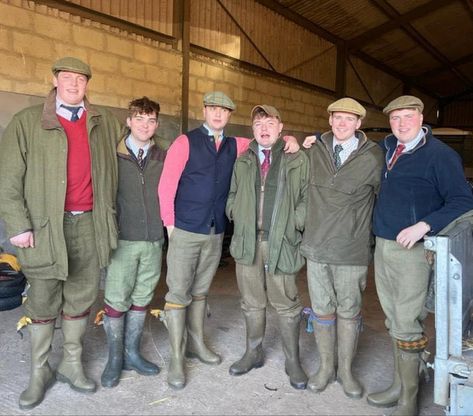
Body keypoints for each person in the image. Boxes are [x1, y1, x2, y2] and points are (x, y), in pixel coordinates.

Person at [0, 57, 121, 410]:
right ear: (54, 80)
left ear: (87, 84)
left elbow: (140, 142)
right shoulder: (27, 122)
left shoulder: (102, 122)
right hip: (43, 226)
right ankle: (40, 372)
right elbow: (8, 181)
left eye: (80, 79)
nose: (73, 84)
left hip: (89, 223)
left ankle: (70, 364)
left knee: (82, 296)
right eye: (66, 78)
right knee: (43, 298)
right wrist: (18, 226)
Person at [157, 91, 299, 389]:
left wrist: (294, 140)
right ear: (204, 111)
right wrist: (169, 225)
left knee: (200, 291)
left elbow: (268, 141)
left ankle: (197, 345)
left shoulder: (237, 145)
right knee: (177, 294)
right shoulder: (186, 142)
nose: (218, 114)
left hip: (215, 230)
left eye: (224, 110)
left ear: (230, 115)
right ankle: (176, 358)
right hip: (184, 228)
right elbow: (167, 184)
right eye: (213, 109)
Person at [367, 95, 473, 415]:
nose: (401, 123)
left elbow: (462, 200)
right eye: (395, 118)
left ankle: (408, 400)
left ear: (421, 116)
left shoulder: (440, 155)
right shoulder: (386, 149)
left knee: (407, 321)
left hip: (412, 250)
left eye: (407, 117)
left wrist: (423, 226)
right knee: (392, 318)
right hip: (383, 244)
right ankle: (401, 385)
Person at [300, 97, 383, 399]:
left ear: (359, 124)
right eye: (337, 118)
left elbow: (385, 201)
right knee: (322, 310)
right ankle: (325, 368)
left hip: (352, 250)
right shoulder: (315, 151)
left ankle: (345, 371)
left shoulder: (374, 157)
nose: (342, 123)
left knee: (348, 311)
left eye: (349, 119)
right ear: (330, 120)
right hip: (317, 248)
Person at [226, 104, 309, 390]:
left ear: (280, 128)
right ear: (252, 129)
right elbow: (233, 192)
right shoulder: (243, 159)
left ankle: (293, 359)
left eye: (270, 122)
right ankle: (253, 352)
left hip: (282, 242)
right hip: (248, 240)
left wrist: (295, 223)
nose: (264, 128)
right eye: (259, 123)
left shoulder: (296, 159)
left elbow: (307, 197)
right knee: (251, 302)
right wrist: (234, 211)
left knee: (286, 303)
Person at [100, 97, 166, 388]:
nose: (145, 125)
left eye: (151, 120)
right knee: (117, 297)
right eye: (139, 118)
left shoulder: (163, 156)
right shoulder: (112, 154)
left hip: (153, 239)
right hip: (123, 238)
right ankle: (114, 359)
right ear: (128, 121)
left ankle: (132, 353)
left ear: (157, 124)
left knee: (142, 297)